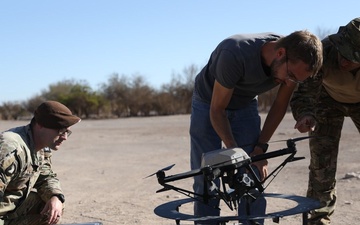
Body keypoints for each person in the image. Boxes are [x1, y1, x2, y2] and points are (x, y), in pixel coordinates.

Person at [190, 30, 323, 225]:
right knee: (206, 178)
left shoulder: (292, 62)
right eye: (291, 76)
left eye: (296, 81)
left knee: (253, 174)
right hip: (208, 102)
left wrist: (261, 147)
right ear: (280, 54)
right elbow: (217, 110)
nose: (289, 83)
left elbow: (279, 106)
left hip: (245, 105)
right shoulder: (234, 53)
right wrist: (234, 152)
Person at [290, 18, 360, 225]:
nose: (343, 61)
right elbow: (303, 94)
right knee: (323, 162)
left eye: (351, 57)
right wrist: (306, 115)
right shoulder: (324, 52)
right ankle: (318, 215)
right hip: (327, 100)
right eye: (342, 52)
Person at [0, 100, 81, 225]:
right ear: (40, 125)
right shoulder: (11, 149)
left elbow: (46, 177)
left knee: (50, 207)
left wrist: (56, 196)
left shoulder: (42, 146)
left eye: (67, 132)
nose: (64, 137)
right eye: (60, 130)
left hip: (10, 209)